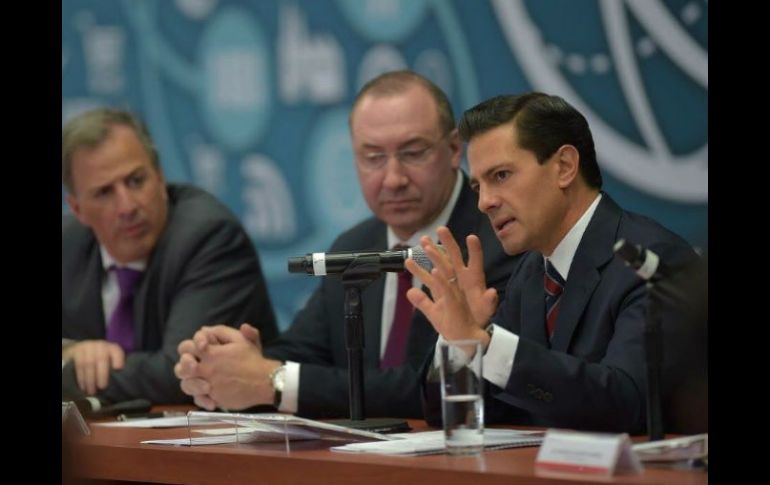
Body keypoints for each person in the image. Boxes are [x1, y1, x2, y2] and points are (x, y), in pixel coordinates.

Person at [175, 71, 521, 418]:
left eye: (413, 153)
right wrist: (237, 363)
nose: (393, 179)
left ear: (454, 150)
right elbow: (305, 353)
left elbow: (429, 386)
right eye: (373, 157)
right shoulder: (357, 243)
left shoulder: (498, 240)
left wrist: (273, 380)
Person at [404, 93, 699, 433]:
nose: (485, 202)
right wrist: (460, 342)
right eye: (477, 186)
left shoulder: (652, 263)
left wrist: (484, 344)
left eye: (501, 175)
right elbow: (454, 413)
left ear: (564, 167)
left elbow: (626, 403)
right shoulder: (531, 272)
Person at [62, 108, 278, 404]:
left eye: (136, 181)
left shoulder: (209, 237)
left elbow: (181, 372)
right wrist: (70, 350)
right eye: (104, 193)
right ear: (77, 209)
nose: (127, 207)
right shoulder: (68, 244)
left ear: (160, 177)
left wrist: (70, 371)